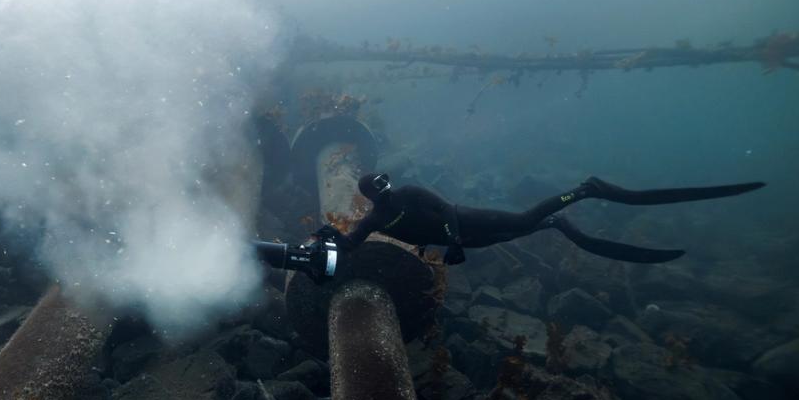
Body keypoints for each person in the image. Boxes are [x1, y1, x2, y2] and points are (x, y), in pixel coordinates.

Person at [315, 173, 765, 264]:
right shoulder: (376, 220)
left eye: (386, 181)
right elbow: (353, 244)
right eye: (379, 187)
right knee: (531, 228)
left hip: (468, 224)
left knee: (526, 217)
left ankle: (586, 189)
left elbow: (447, 210)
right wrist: (329, 238)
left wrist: (452, 241)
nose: (387, 187)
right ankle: (561, 225)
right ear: (372, 195)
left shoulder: (412, 192)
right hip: (466, 243)